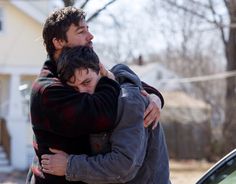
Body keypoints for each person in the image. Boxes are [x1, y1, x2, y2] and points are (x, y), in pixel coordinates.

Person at [28, 6, 165, 184]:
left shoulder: (73, 73)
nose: (90, 36)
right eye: (80, 31)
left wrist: (153, 96)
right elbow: (104, 113)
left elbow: (112, 87)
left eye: (88, 30)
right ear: (58, 42)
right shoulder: (49, 90)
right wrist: (115, 81)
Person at [40, 46, 171, 184]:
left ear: (101, 70)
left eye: (87, 82)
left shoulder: (129, 101)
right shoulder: (98, 104)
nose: (83, 92)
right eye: (75, 88)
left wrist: (69, 165)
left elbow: (124, 166)